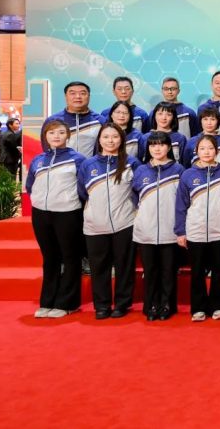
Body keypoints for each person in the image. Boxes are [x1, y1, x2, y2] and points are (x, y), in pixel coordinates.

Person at [78, 123, 140, 319]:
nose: (110, 140)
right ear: (99, 140)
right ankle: (102, 305)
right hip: (95, 224)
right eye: (106, 137)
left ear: (121, 140)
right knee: (99, 267)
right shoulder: (88, 165)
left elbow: (138, 191)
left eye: (115, 136)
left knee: (124, 266)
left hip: (125, 222)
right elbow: (82, 192)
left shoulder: (131, 163)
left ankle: (122, 304)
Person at [26, 119, 87, 318]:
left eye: (61, 132)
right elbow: (30, 185)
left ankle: (68, 303)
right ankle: (47, 301)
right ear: (45, 136)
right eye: (51, 133)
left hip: (68, 213)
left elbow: (83, 188)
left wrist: (70, 201)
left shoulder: (77, 159)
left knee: (70, 257)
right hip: (41, 213)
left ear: (68, 135)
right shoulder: (38, 160)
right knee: (49, 257)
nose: (56, 136)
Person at [175, 134, 220, 322]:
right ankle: (198, 308)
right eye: (202, 148)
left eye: (210, 148)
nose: (206, 152)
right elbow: (181, 205)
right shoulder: (188, 175)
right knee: (197, 272)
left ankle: (218, 307)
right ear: (196, 151)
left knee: (219, 271)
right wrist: (180, 231)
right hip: (195, 230)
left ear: (216, 151)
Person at [131, 131, 185, 321]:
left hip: (171, 229)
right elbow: (134, 197)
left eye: (161, 144)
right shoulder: (141, 170)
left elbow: (183, 200)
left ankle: (167, 305)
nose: (157, 148)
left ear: (169, 147)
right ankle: (151, 305)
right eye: (153, 145)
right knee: (150, 270)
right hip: (146, 229)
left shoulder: (179, 170)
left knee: (168, 270)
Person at [42, 81, 102, 154]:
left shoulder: (100, 121)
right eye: (73, 93)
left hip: (90, 161)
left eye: (82, 93)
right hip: (62, 161)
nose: (78, 97)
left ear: (89, 96)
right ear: (65, 96)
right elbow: (46, 147)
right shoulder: (53, 120)